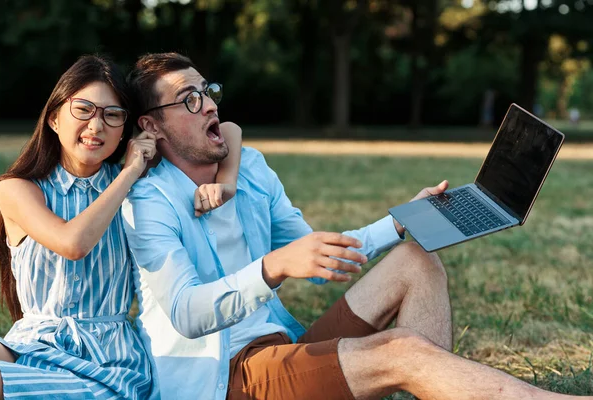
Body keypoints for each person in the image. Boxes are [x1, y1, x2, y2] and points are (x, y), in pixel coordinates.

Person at [122, 52, 591, 400]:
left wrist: (402, 221)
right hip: (224, 378)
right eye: (189, 100)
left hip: (282, 347)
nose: (208, 105)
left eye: (208, 92)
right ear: (153, 126)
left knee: (416, 261)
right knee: (402, 351)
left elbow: (323, 250)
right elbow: (185, 312)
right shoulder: (148, 203)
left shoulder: (251, 170)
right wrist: (271, 267)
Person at [0, 54, 241, 399]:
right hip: (36, 345)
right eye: (83, 110)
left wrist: (226, 182)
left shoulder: (135, 186)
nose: (97, 127)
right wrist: (129, 172)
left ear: (127, 128)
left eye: (112, 115)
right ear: (53, 118)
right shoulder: (17, 189)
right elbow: (73, 242)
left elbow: (230, 129)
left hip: (109, 359)